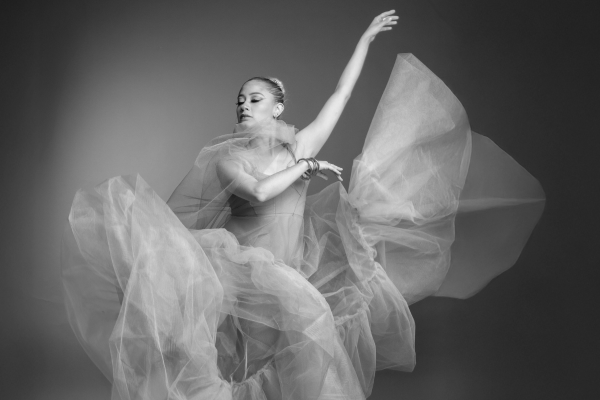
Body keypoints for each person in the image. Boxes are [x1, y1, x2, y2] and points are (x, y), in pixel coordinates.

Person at [61, 10, 545, 400]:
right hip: (240, 274)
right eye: (240, 100)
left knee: (293, 359)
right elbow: (260, 193)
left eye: (254, 99)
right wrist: (307, 168)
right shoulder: (229, 160)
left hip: (289, 271)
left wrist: (365, 40)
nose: (243, 105)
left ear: (277, 108)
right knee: (243, 361)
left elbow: (341, 94)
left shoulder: (300, 146)